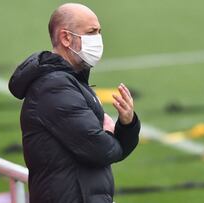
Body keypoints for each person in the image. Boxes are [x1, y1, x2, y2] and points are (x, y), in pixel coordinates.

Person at [8, 3, 141, 203]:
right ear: (66, 38)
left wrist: (128, 123)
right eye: (91, 32)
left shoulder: (72, 81)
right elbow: (101, 150)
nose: (98, 39)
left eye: (99, 32)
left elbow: (111, 149)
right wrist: (109, 135)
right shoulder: (54, 88)